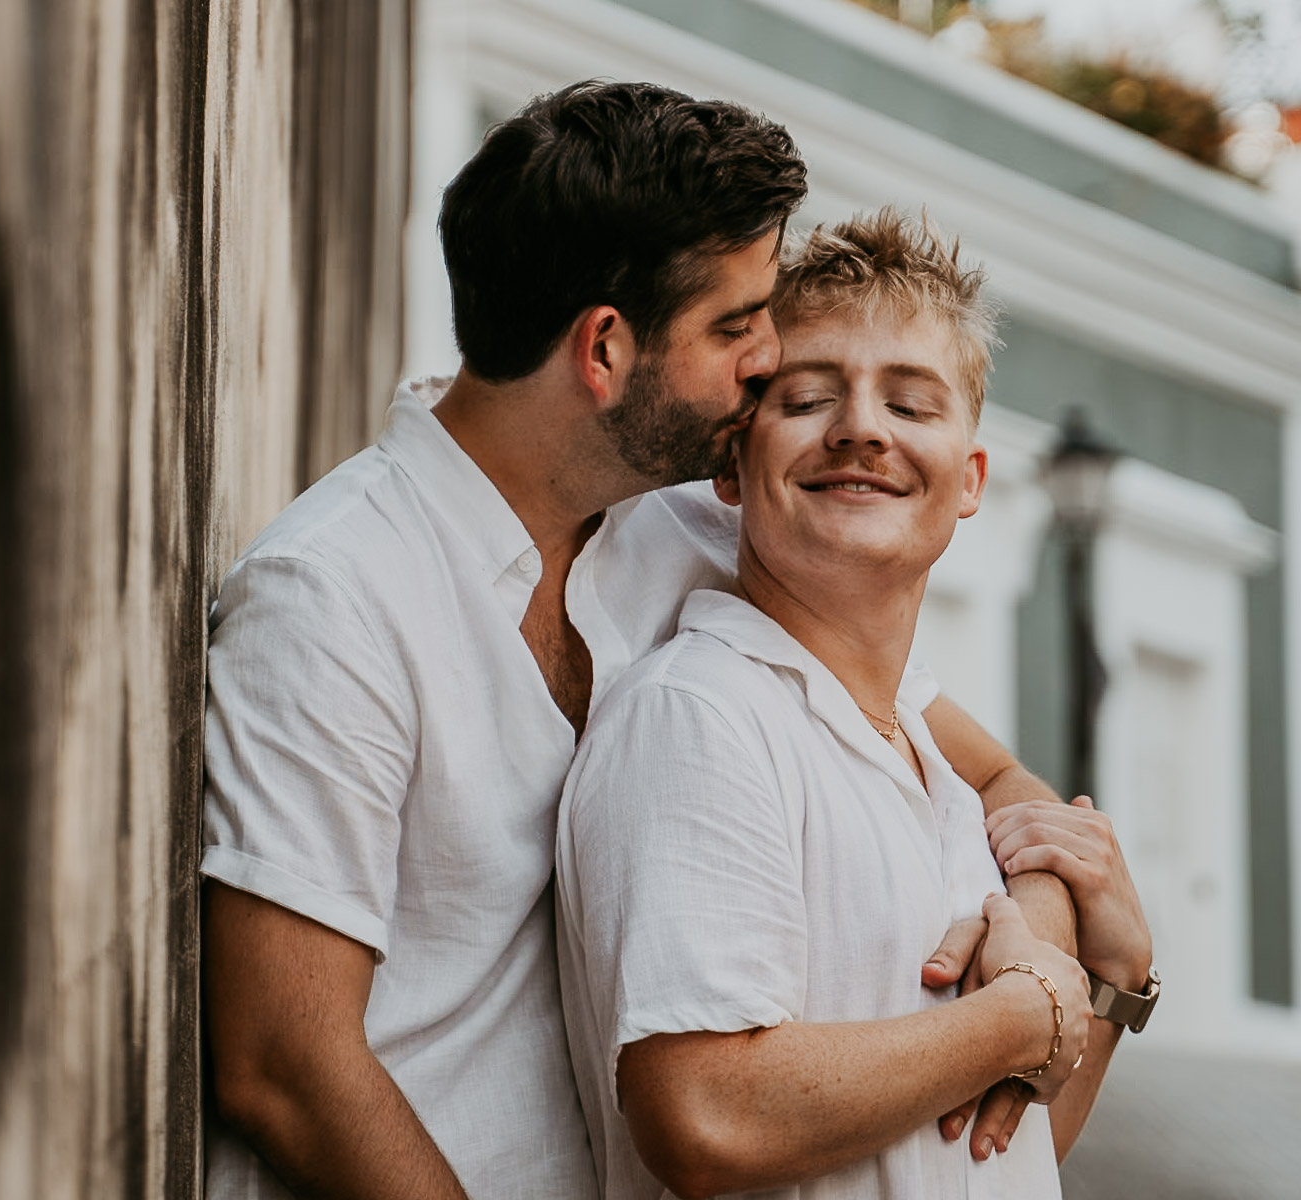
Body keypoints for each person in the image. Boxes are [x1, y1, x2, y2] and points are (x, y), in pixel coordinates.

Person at [200, 81, 1076, 1200]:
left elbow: (987, 776)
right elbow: (285, 1065)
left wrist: (1041, 941)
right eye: (734, 326)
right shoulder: (333, 597)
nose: (767, 361)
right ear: (605, 351)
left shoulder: (681, 530)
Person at [556, 210, 1154, 1200]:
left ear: (968, 483)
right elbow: (704, 1113)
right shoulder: (700, 719)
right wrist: (1017, 1016)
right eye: (809, 396)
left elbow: (999, 1152)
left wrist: (1114, 978)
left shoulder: (939, 777)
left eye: (913, 407)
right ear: (729, 466)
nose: (862, 428)